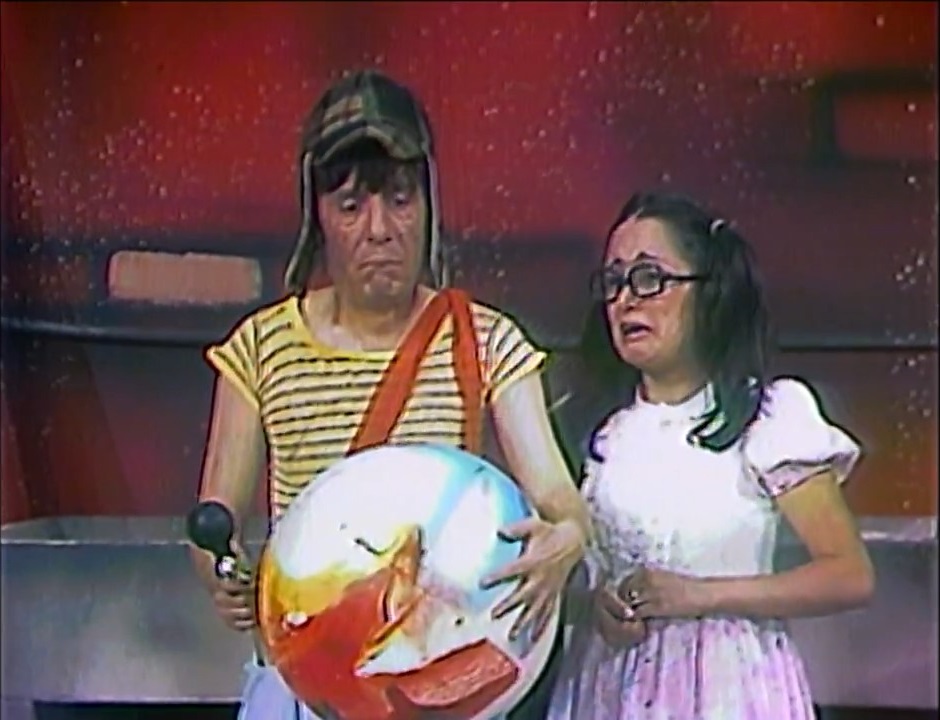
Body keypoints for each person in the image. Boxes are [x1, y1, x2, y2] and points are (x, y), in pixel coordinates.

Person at [190, 69, 590, 720]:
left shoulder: (488, 340)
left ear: (430, 206)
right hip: (309, 681)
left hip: (432, 677)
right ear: (317, 217)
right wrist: (222, 575)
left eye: (400, 200)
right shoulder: (260, 347)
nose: (380, 229)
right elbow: (215, 519)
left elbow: (558, 497)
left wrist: (566, 537)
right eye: (351, 206)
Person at [547, 191, 875, 719]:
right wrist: (595, 607)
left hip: (728, 690)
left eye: (649, 278)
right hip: (608, 687)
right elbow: (559, 577)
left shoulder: (767, 416)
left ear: (709, 291)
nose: (626, 300)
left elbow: (848, 575)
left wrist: (698, 596)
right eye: (613, 282)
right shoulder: (592, 428)